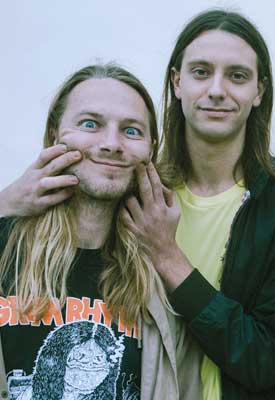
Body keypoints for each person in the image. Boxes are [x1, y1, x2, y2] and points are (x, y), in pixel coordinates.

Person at [120, 10, 275, 400]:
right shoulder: (139, 192)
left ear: (259, 91)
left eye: (237, 76)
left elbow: (269, 360)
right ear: (177, 82)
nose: (216, 90)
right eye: (201, 72)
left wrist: (168, 257)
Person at [0, 64, 201, 400]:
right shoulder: (5, 247)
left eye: (131, 131)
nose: (111, 144)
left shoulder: (161, 284)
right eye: (90, 124)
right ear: (54, 135)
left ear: (150, 149)